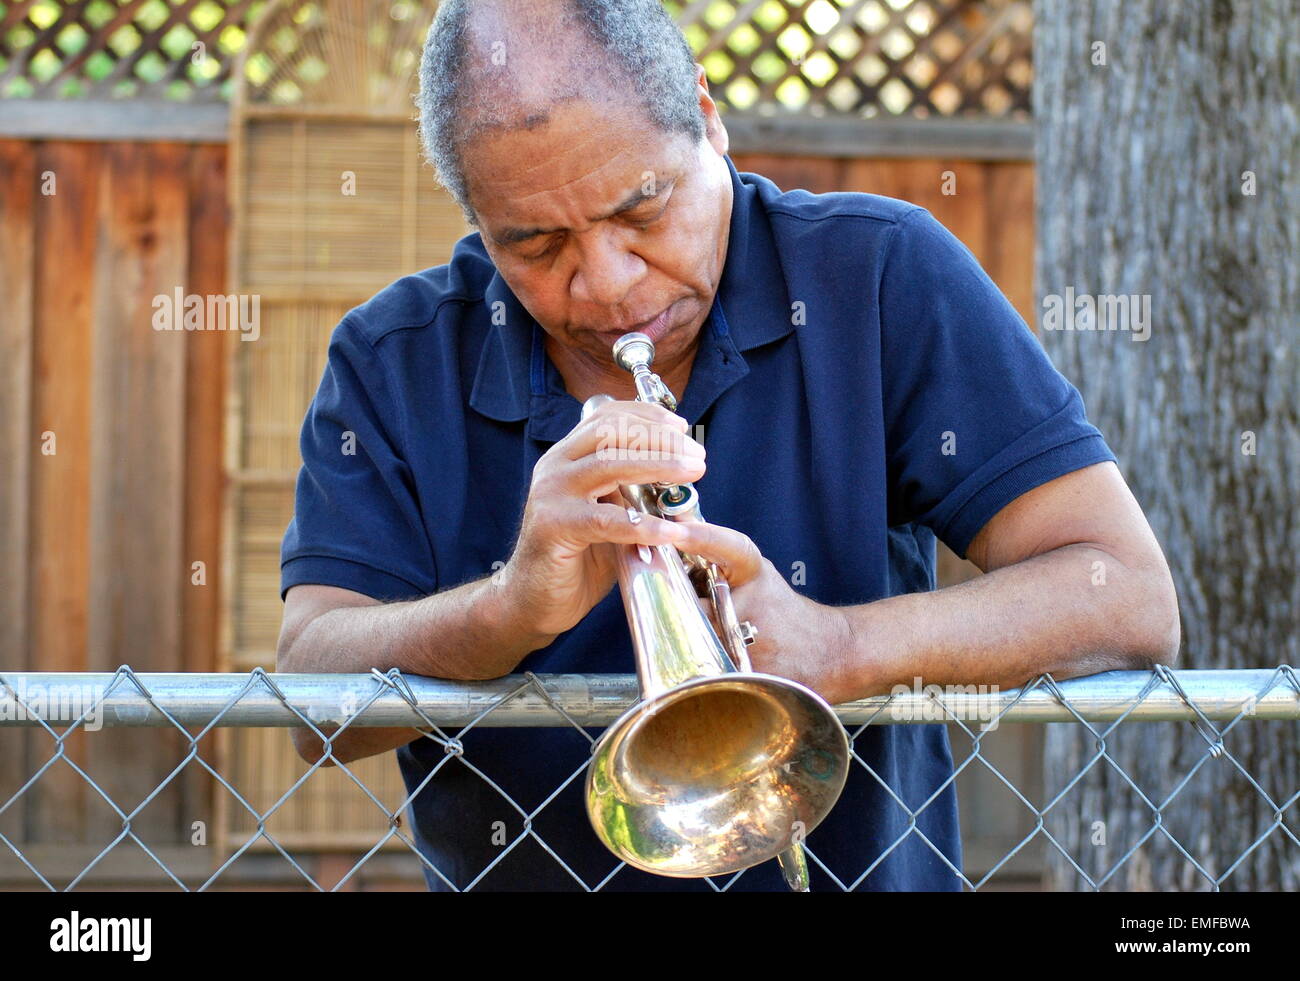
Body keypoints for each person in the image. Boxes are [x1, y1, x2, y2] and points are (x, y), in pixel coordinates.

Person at [277, 0, 1180, 891]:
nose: (608, 285)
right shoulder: (392, 360)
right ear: (477, 221)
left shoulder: (875, 273)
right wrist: (508, 610)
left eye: (642, 209)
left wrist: (840, 646)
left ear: (708, 118)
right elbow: (314, 705)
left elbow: (1125, 594)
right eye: (538, 246)